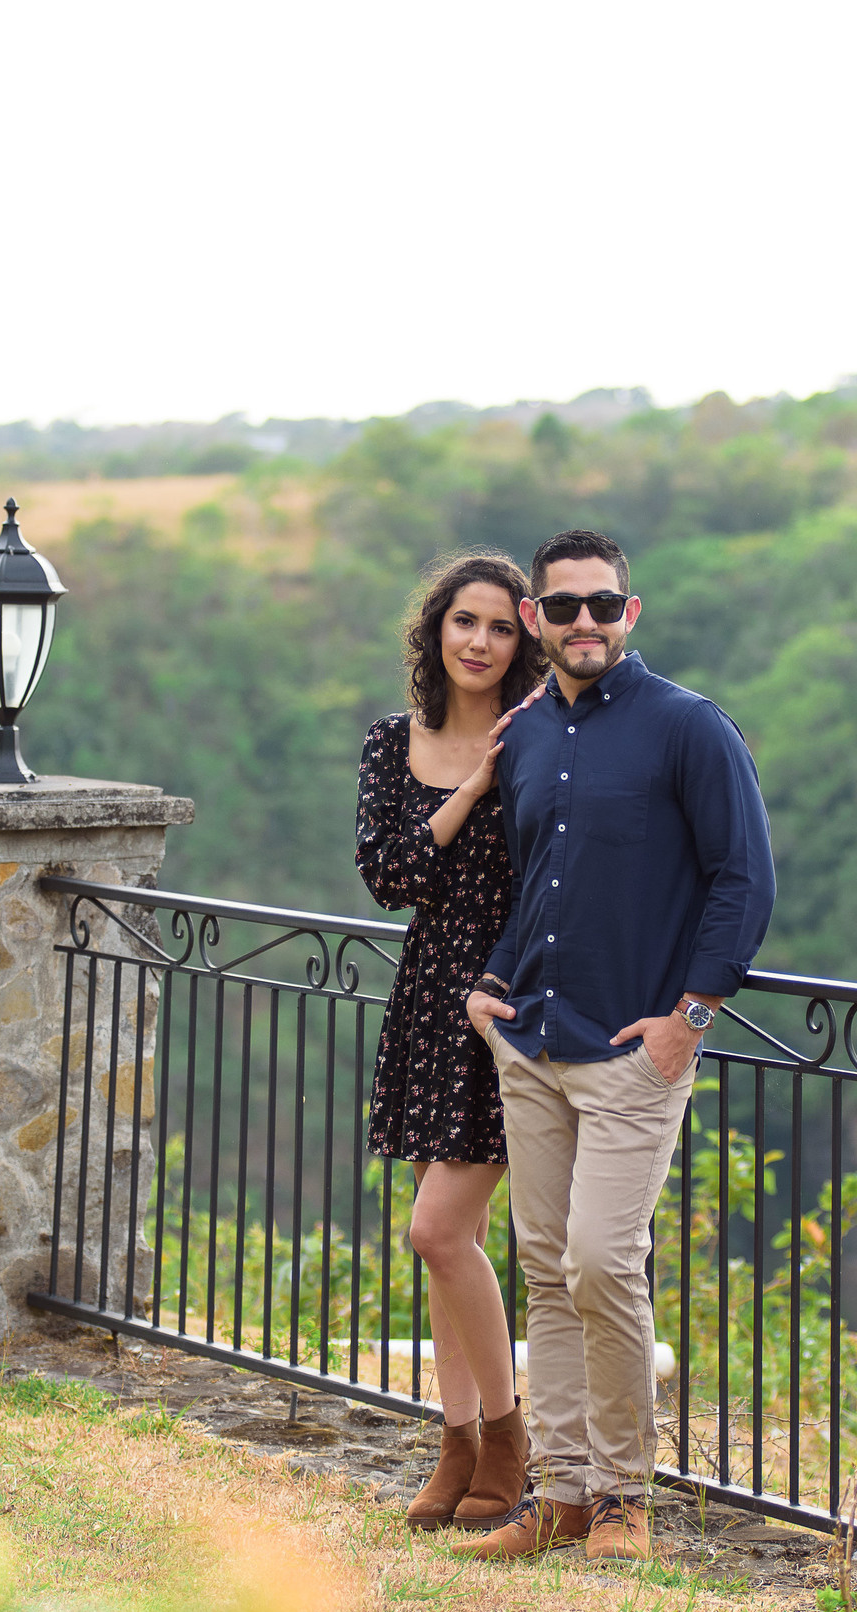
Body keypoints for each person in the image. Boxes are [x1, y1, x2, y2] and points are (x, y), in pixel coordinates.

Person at [451, 528, 774, 1564]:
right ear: (539, 621)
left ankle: (626, 1497)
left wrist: (691, 1019)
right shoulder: (528, 733)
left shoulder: (688, 727)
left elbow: (742, 879)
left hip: (633, 1051)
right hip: (531, 1041)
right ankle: (562, 1496)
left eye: (601, 604)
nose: (580, 622)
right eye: (561, 607)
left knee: (602, 1258)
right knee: (546, 1267)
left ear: (629, 614)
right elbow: (534, 880)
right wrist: (493, 984)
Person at [354, 548, 548, 1530]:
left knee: (435, 1229)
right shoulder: (395, 742)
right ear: (436, 629)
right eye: (462, 620)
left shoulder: (547, 735)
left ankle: (509, 1440)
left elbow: (562, 876)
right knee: (450, 1244)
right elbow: (387, 874)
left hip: (503, 995)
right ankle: (459, 1446)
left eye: (500, 625)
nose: (478, 640)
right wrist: (471, 784)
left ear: (524, 638)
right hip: (427, 996)